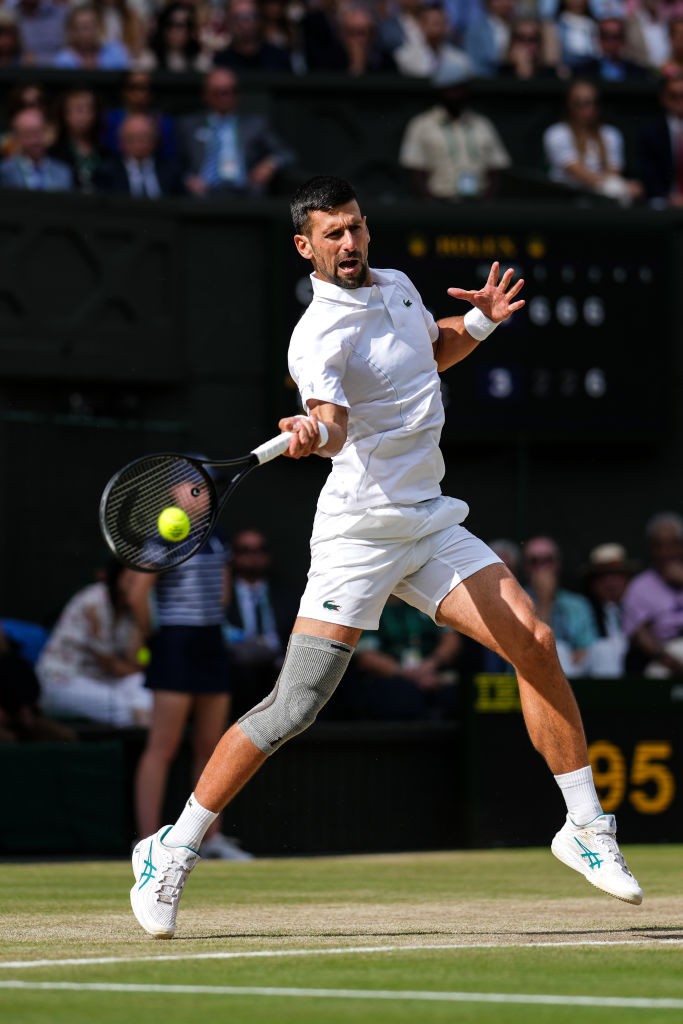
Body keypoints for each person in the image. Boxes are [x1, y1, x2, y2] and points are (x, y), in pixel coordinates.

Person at [129, 174, 642, 940]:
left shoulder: (397, 285)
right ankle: (170, 848)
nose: (349, 243)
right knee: (292, 709)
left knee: (533, 644)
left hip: (428, 522)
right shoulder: (317, 338)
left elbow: (431, 350)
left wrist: (480, 323)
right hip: (357, 537)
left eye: (357, 228)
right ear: (305, 246)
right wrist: (314, 433)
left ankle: (582, 828)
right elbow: (331, 422)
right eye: (332, 234)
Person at [128, 527, 252, 860]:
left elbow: (223, 595)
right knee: (162, 748)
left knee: (211, 747)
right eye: (190, 485)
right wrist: (156, 638)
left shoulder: (218, 539)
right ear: (175, 490)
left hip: (211, 641)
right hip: (174, 643)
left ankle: (211, 839)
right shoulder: (160, 541)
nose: (197, 491)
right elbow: (137, 594)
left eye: (203, 485)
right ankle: (147, 843)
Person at [36, 562, 152, 726]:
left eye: (143, 580)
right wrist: (139, 668)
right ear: (117, 575)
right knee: (123, 708)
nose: (138, 583)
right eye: (132, 578)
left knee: (143, 688)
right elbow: (109, 665)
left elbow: (138, 659)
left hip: (100, 680)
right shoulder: (95, 601)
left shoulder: (131, 609)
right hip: (63, 680)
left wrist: (139, 617)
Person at [176, 67, 295, 196]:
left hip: (246, 192)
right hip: (201, 193)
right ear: (205, 95)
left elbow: (286, 154)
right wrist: (188, 179)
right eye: (218, 92)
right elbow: (172, 161)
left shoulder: (254, 124)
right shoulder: (188, 124)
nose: (225, 97)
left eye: (230, 91)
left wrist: (271, 164)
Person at [399, 65, 511, 200]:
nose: (455, 94)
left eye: (459, 88)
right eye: (450, 89)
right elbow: (415, 170)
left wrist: (486, 204)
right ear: (440, 91)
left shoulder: (482, 124)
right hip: (440, 204)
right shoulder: (421, 125)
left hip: (478, 204)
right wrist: (431, 205)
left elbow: (496, 168)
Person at [224, 528, 298, 719]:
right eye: (245, 550)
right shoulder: (223, 597)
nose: (254, 556)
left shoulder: (286, 597)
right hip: (237, 671)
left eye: (260, 550)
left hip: (277, 670)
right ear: (233, 556)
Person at [351, 594, 461, 719]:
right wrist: (408, 674)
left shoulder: (427, 599)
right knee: (403, 699)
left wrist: (431, 664)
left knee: (456, 696)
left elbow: (451, 639)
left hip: (432, 672)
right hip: (392, 677)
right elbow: (366, 657)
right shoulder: (370, 609)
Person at [543, 78, 643, 203]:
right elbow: (577, 172)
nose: (588, 109)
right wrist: (619, 187)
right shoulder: (556, 133)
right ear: (569, 105)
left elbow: (614, 170)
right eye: (580, 103)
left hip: (602, 197)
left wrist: (617, 186)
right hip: (568, 199)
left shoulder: (611, 134)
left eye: (593, 102)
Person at [522, 535, 599, 678]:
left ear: (558, 564)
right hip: (532, 675)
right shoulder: (516, 602)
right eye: (534, 562)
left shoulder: (577, 604)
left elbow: (589, 647)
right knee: (560, 651)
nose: (542, 567)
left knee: (604, 649)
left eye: (548, 560)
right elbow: (533, 650)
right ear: (526, 568)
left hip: (577, 669)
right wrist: (544, 602)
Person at [622, 511, 683, 675]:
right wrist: (667, 659)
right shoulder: (640, 586)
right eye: (659, 545)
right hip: (666, 655)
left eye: (673, 544)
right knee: (656, 674)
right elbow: (641, 636)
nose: (666, 552)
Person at [0, 625, 77, 743]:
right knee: (8, 740)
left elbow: (31, 688)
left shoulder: (16, 661)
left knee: (64, 736)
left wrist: (27, 707)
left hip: (22, 718)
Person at [95, 112, 185, 197]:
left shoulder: (172, 170)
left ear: (155, 140)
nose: (138, 144)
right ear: (121, 142)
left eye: (143, 137)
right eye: (131, 138)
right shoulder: (107, 172)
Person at [581, 542, 635, 677]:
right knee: (604, 650)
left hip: (636, 674)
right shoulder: (583, 608)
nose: (610, 582)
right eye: (603, 576)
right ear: (592, 583)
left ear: (627, 578)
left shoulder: (640, 606)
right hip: (595, 677)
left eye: (616, 575)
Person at [101, 71, 177, 161]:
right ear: (124, 91)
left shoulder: (163, 122)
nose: (140, 93)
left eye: (145, 87)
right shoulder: (110, 119)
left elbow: (170, 157)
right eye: (134, 87)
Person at [49, 87, 108, 193]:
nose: (84, 115)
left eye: (89, 109)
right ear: (65, 114)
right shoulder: (53, 154)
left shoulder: (106, 154)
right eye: (79, 109)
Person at [394, 2, 474, 79]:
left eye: (443, 23)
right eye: (435, 23)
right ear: (421, 25)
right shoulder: (404, 57)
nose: (440, 28)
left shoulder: (460, 60)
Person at [0, 106, 72, 191]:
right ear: (17, 137)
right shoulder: (4, 172)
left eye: (38, 133)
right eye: (27, 135)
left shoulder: (63, 172)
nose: (34, 141)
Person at [638, 71, 683, 206]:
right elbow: (648, 173)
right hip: (663, 200)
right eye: (674, 96)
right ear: (663, 98)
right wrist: (669, 197)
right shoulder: (650, 131)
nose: (680, 102)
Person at [213, 0, 292, 72]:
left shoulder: (279, 58)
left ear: (259, 20)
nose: (244, 24)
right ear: (228, 22)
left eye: (250, 16)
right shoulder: (220, 62)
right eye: (237, 18)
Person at [53, 3, 130, 69]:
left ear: (98, 27)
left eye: (88, 26)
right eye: (79, 27)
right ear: (72, 31)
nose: (84, 33)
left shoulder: (115, 52)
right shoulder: (63, 60)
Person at [576, 17, 651, 79]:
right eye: (606, 36)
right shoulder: (584, 72)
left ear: (623, 40)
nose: (611, 41)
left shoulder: (639, 73)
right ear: (599, 39)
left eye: (616, 36)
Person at [147, 2, 212, 72]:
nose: (174, 30)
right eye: (169, 24)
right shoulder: (149, 58)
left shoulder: (201, 60)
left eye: (180, 25)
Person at [15, 0, 66, 67]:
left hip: (58, 71)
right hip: (19, 71)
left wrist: (38, 60)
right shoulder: (9, 14)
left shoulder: (60, 13)